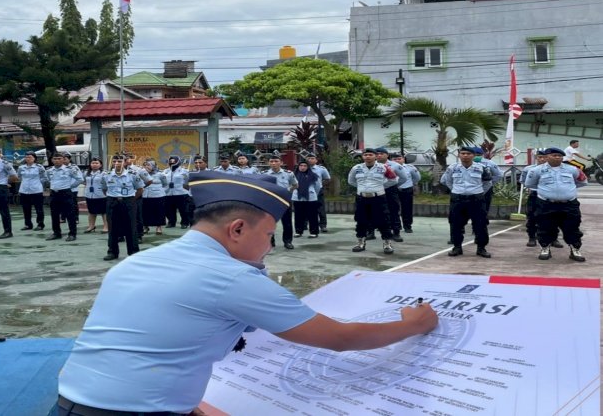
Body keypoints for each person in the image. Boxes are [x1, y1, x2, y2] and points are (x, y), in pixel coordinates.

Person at [57, 171, 438, 415]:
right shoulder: (230, 277)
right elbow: (339, 338)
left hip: (72, 403)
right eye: (268, 236)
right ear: (237, 229)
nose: (269, 247)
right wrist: (413, 324)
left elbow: (150, 343)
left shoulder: (138, 261)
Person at [524, 147, 587, 262]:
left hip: (569, 204)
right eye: (554, 155)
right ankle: (545, 248)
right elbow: (530, 184)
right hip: (546, 204)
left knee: (572, 227)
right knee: (545, 227)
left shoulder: (572, 169)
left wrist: (566, 191)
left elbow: (582, 181)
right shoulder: (537, 170)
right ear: (547, 157)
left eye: (560, 156)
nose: (558, 157)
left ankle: (575, 249)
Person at [441, 148, 492, 258]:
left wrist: (479, 192)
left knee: (480, 223)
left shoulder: (481, 168)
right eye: (463, 153)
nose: (465, 156)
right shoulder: (452, 168)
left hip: (476, 199)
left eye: (468, 153)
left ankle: (481, 248)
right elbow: (446, 181)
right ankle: (457, 247)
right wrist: (456, 190)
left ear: (473, 155)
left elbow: (488, 183)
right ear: (459, 155)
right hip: (458, 199)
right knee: (455, 223)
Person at [347, 148, 396, 254]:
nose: (367, 157)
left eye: (370, 154)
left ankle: (387, 244)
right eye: (365, 155)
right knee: (361, 221)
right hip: (362, 198)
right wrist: (362, 188)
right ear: (362, 157)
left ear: (375, 156)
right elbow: (351, 181)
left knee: (383, 221)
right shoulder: (357, 168)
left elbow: (393, 179)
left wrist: (380, 186)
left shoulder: (383, 167)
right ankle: (360, 243)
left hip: (378, 198)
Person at [103, 155, 145, 261]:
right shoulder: (106, 175)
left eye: (120, 161)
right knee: (112, 228)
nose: (117, 163)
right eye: (115, 161)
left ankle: (133, 252)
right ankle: (112, 252)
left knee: (131, 227)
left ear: (125, 163)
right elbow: (104, 189)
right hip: (112, 201)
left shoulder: (132, 174)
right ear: (112, 163)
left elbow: (140, 189)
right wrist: (113, 198)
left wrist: (131, 199)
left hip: (128, 201)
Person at [520, 149, 563, 248]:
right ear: (536, 158)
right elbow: (523, 181)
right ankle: (532, 238)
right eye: (540, 157)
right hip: (535, 195)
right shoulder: (528, 169)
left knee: (553, 217)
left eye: (544, 157)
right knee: (532, 217)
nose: (542, 159)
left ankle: (554, 239)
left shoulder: (555, 169)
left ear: (548, 157)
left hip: (549, 196)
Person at [262, 156, 297, 250]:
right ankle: (270, 242)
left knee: (287, 222)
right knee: (269, 222)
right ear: (269, 163)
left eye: (276, 161)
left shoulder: (288, 174)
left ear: (281, 162)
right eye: (271, 161)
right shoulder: (264, 174)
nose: (273, 163)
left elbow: (295, 185)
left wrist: (287, 191)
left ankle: (288, 241)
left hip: (284, 200)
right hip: (270, 201)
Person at [46, 152, 83, 242]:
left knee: (70, 214)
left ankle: (72, 234)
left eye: (59, 159)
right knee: (54, 214)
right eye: (55, 159)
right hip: (54, 194)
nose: (57, 160)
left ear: (63, 159)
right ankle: (56, 233)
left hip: (66, 193)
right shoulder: (49, 170)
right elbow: (48, 180)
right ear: (52, 160)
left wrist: (70, 186)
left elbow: (80, 179)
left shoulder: (69, 169)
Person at [375, 147, 404, 242]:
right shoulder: (372, 165)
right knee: (374, 211)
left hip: (390, 191)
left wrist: (394, 185)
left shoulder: (395, 165)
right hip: (376, 191)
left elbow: (403, 178)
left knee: (394, 211)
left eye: (381, 153)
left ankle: (396, 233)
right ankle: (371, 232)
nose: (379, 155)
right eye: (377, 154)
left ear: (387, 155)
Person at [391, 152, 422, 234]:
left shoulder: (410, 167)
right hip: (393, 189)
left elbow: (417, 178)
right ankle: (395, 225)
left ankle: (407, 226)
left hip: (406, 189)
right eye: (394, 159)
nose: (397, 160)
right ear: (391, 160)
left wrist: (410, 184)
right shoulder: (388, 167)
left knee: (407, 209)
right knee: (392, 208)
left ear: (403, 159)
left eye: (399, 159)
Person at [125, 153, 152, 241]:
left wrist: (140, 189)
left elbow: (149, 180)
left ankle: (138, 235)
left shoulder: (138, 169)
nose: (124, 161)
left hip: (135, 196)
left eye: (126, 158)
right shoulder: (115, 170)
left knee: (136, 216)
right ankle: (121, 235)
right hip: (120, 197)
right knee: (120, 216)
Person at [17, 152, 47, 231]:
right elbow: (19, 177)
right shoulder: (21, 167)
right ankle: (28, 224)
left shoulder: (39, 167)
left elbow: (44, 178)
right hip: (24, 190)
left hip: (36, 190)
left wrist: (38, 184)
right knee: (26, 209)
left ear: (34, 158)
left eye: (30, 157)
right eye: (26, 157)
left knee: (39, 209)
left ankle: (40, 224)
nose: (28, 159)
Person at [292, 161, 321, 238]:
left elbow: (317, 187)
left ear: (308, 167)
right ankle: (298, 231)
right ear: (298, 166)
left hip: (311, 198)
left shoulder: (313, 175)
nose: (303, 167)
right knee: (298, 215)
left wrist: (313, 193)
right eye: (301, 165)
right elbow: (290, 185)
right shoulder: (293, 175)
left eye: (305, 166)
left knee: (312, 216)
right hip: (297, 198)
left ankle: (314, 232)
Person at [472, 147, 502, 217]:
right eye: (475, 154)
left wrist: (490, 183)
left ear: (482, 155)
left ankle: (483, 222)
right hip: (471, 188)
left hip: (485, 189)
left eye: (479, 155)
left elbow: (498, 175)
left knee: (484, 208)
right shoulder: (466, 163)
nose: (476, 156)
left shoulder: (489, 163)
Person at [163, 155, 192, 229]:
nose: (172, 163)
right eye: (171, 161)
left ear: (178, 162)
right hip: (168, 192)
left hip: (181, 192)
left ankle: (184, 222)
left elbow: (189, 181)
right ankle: (171, 222)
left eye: (174, 161)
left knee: (183, 209)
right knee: (169, 209)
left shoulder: (184, 171)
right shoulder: (166, 171)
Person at [305, 154, 331, 233]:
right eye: (309, 158)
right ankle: (304, 224)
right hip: (305, 192)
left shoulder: (321, 169)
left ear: (316, 160)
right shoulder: (302, 168)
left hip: (318, 191)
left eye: (312, 158)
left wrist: (321, 184)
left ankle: (323, 225)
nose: (310, 160)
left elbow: (327, 179)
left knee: (320, 209)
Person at [142, 160, 168, 235]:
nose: (147, 167)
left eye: (149, 165)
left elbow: (165, 184)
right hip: (145, 195)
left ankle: (159, 227)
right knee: (145, 212)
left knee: (158, 212)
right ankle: (145, 226)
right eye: (145, 165)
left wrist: (160, 190)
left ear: (154, 166)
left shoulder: (160, 174)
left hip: (158, 195)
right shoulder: (142, 174)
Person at [83, 157, 108, 234]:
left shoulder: (104, 173)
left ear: (100, 165)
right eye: (93, 163)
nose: (94, 165)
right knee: (91, 211)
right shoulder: (86, 173)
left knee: (104, 212)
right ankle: (91, 226)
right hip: (89, 195)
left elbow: (107, 184)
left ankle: (106, 226)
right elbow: (84, 181)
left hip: (101, 195)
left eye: (97, 163)